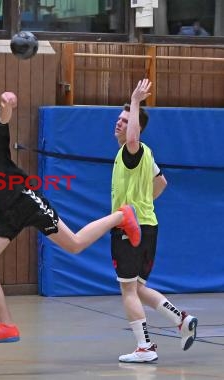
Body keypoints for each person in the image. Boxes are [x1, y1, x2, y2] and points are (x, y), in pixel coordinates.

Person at [0, 91, 141, 344]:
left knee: (75, 245)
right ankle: (6, 326)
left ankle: (121, 216)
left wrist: (7, 102)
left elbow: (2, 116)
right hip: (4, 212)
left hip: (24, 198)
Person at [112, 79, 197, 363]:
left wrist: (136, 101)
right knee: (137, 287)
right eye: (119, 119)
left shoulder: (132, 151)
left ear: (135, 125)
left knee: (127, 289)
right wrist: (143, 203)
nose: (119, 123)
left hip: (130, 229)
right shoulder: (147, 154)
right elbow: (161, 182)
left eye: (125, 120)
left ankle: (145, 347)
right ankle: (181, 320)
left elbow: (134, 139)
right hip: (149, 225)